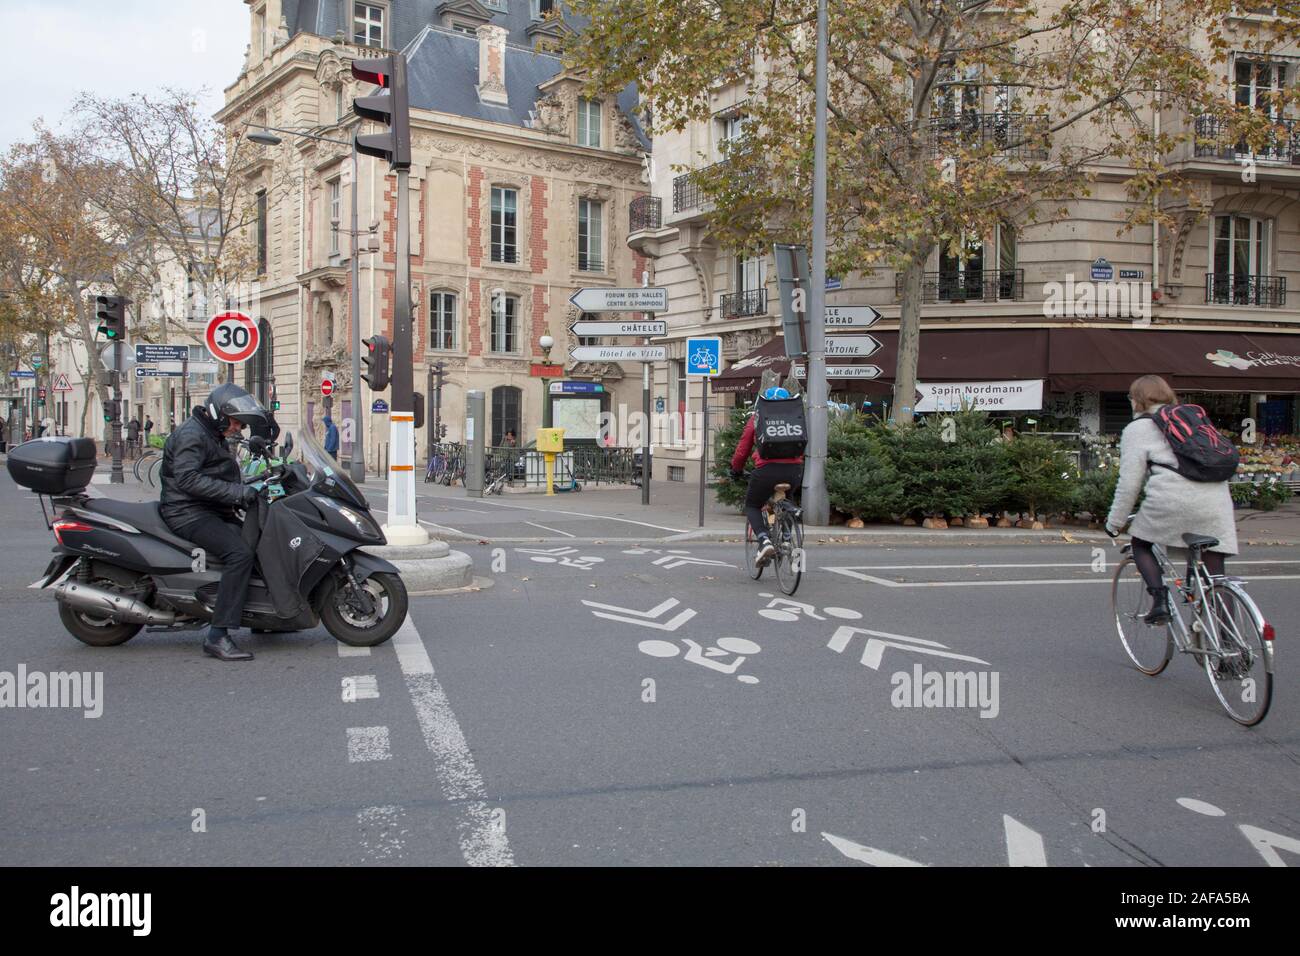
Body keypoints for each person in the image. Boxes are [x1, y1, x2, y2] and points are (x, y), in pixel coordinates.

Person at [1105, 374, 1237, 626]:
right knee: (1216, 577)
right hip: (1216, 501)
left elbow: (1129, 483)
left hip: (1172, 500)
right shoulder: (1193, 418)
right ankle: (1230, 649)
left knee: (1140, 544)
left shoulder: (1138, 428)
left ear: (1137, 401)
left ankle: (1159, 601)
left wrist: (1115, 523)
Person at [160, 383, 268, 662]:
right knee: (240, 553)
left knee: (257, 541)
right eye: (235, 422)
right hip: (188, 512)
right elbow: (188, 479)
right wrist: (238, 493)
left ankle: (262, 617)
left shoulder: (210, 432)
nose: (238, 429)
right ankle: (217, 636)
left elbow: (219, 472)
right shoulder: (192, 435)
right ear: (219, 414)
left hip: (210, 508)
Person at [729, 386, 805, 569]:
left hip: (766, 470)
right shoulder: (797, 417)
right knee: (786, 498)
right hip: (794, 470)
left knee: (752, 505)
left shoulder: (757, 418)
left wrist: (736, 469)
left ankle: (764, 541)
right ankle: (787, 538)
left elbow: (743, 449)